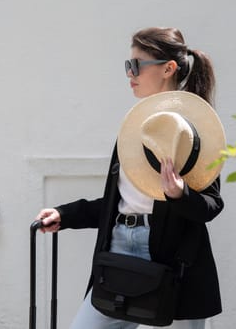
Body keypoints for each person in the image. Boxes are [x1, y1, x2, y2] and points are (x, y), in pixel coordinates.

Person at [35, 27, 225, 329]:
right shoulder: (137, 128)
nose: (129, 73)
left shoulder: (194, 131)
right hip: (119, 250)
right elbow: (119, 202)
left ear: (168, 69)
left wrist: (180, 195)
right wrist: (65, 214)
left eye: (136, 65)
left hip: (175, 264)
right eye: (128, 65)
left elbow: (211, 206)